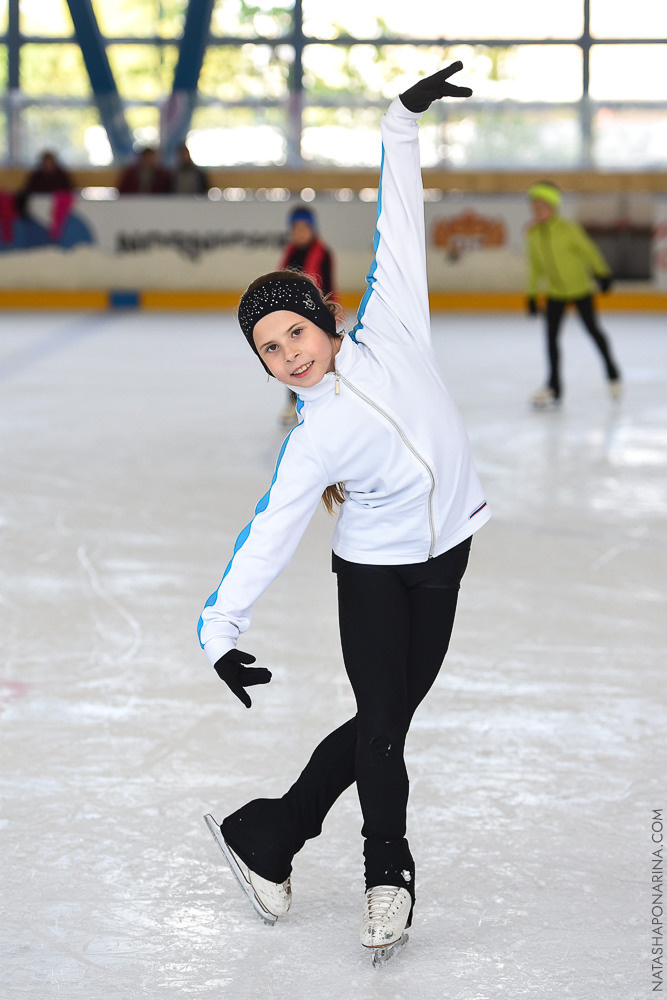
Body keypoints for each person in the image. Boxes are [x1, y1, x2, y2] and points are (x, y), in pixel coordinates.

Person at [198, 62, 490, 961]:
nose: (286, 354)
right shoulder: (311, 440)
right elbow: (272, 529)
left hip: (447, 555)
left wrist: (400, 120)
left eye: (292, 332)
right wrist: (220, 627)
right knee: (385, 727)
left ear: (323, 318)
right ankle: (386, 873)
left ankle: (271, 832)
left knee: (384, 719)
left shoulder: (394, 322)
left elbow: (397, 213)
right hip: (370, 571)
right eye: (268, 350)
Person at [525, 180, 622, 409]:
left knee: (593, 331)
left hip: (580, 290)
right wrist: (530, 295)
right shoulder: (533, 235)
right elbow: (535, 269)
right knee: (551, 340)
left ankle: (612, 371)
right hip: (555, 293)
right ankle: (554, 387)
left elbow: (589, 251)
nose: (537, 210)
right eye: (534, 206)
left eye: (542, 206)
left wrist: (603, 273)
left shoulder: (569, 229)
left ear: (553, 207)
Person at [277, 204, 338, 425]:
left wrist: (328, 316)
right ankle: (293, 401)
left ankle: (324, 403)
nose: (299, 233)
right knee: (292, 360)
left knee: (317, 362)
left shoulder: (323, 253)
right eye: (295, 229)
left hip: (316, 317)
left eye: (304, 228)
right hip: (292, 319)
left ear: (313, 229)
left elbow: (328, 287)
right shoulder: (290, 252)